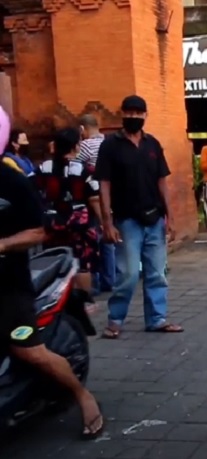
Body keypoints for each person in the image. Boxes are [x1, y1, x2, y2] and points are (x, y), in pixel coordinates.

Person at [0, 110, 104, 440]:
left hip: (8, 286)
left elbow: (39, 232)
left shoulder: (12, 180)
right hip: (73, 229)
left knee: (27, 349)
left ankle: (83, 396)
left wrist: (2, 244)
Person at [93, 95, 183, 338]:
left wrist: (170, 218)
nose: (133, 117)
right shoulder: (111, 145)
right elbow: (104, 184)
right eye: (129, 113)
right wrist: (107, 222)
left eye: (138, 113)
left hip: (154, 219)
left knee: (157, 273)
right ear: (123, 114)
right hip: (126, 221)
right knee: (129, 274)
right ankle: (115, 320)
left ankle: (157, 318)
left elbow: (162, 182)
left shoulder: (152, 145)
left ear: (145, 115)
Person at [32, 127, 102, 308]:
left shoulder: (43, 168)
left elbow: (31, 190)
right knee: (82, 263)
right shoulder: (84, 170)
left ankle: (56, 301)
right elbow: (94, 198)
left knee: (54, 260)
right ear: (76, 146)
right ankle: (84, 304)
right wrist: (105, 222)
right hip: (79, 225)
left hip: (53, 223)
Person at [76, 114, 115, 293]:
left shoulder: (85, 145)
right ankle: (111, 278)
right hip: (111, 193)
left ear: (83, 129)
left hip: (93, 195)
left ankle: (96, 281)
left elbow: (74, 167)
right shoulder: (109, 143)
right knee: (109, 236)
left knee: (94, 238)